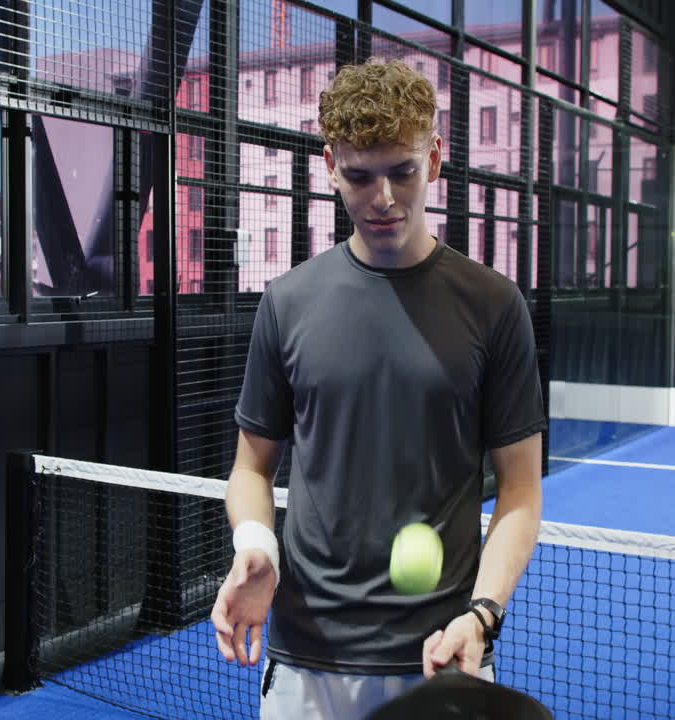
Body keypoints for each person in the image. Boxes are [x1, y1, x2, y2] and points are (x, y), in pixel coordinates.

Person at [210, 58, 546, 720]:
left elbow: (520, 491)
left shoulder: (495, 306)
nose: (383, 197)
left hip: (442, 654)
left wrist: (482, 614)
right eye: (361, 176)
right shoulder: (287, 302)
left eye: (403, 171)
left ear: (435, 159)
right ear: (331, 167)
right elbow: (251, 467)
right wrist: (257, 546)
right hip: (306, 659)